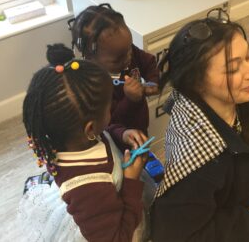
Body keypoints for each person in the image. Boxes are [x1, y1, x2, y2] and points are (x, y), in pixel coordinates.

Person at [151, 8, 249, 242]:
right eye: (234, 68)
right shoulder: (200, 162)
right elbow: (175, 234)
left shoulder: (240, 90)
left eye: (248, 56)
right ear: (196, 82)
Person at [18, 43, 150, 242]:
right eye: (108, 110)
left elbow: (103, 132)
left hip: (100, 211)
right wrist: (131, 181)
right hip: (108, 227)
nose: (110, 114)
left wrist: (120, 133)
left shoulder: (69, 137)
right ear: (90, 128)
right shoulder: (88, 188)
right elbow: (117, 238)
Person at [68, 3, 159, 151]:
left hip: (140, 126)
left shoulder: (125, 51)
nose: (128, 58)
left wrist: (152, 82)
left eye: (129, 48)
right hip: (115, 141)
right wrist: (130, 100)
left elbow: (149, 62)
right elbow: (106, 123)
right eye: (118, 59)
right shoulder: (93, 85)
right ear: (91, 58)